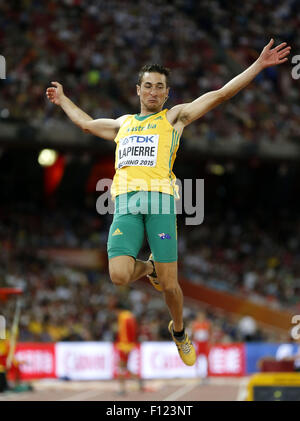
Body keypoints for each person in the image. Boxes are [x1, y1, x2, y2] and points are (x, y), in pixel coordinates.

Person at [46, 39, 290, 366]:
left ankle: (179, 330)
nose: (153, 91)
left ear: (166, 93)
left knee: (171, 287)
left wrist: (258, 66)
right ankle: (149, 268)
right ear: (138, 90)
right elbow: (87, 124)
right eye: (148, 86)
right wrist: (63, 100)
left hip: (160, 204)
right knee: (118, 275)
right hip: (126, 205)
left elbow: (220, 94)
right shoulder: (124, 124)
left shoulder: (174, 118)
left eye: (159, 87)